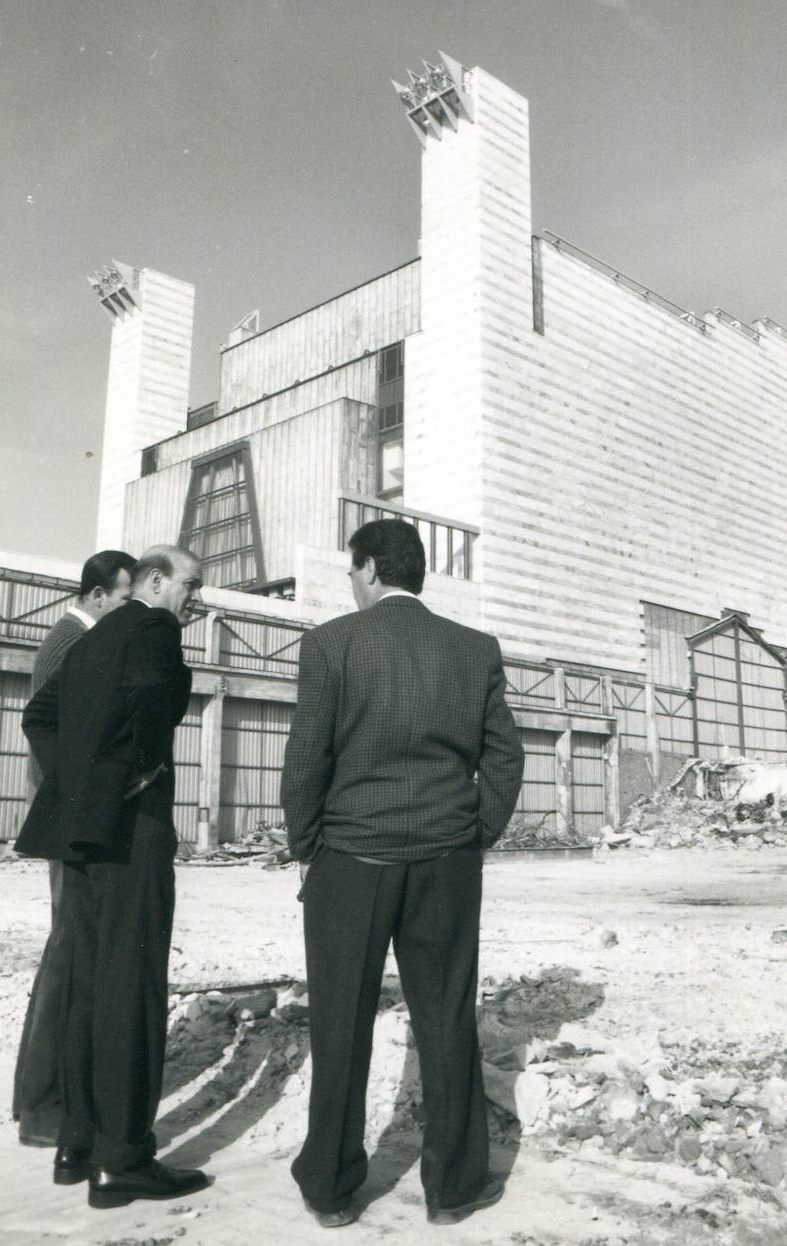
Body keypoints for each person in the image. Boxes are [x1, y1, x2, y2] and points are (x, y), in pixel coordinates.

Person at [281, 518, 525, 1228]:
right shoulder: (473, 648)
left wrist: (308, 845)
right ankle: (453, 1189)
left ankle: (329, 1188)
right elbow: (504, 757)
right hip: (445, 861)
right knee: (446, 1018)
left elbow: (305, 758)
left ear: (366, 570)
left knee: (339, 1022)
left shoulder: (331, 643)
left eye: (351, 572)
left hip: (350, 862)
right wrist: (473, 832)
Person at [16, 545, 209, 1210]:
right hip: (132, 833)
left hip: (78, 834)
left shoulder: (95, 638)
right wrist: (133, 775)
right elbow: (156, 705)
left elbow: (38, 716)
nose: (196, 599)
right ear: (154, 581)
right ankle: (124, 1157)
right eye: (191, 584)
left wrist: (80, 786)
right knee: (132, 986)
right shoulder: (155, 628)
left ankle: (76, 1143)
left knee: (85, 984)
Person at [14, 549, 136, 1147]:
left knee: (69, 951)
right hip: (69, 823)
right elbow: (50, 732)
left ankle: (43, 1098)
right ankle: (41, 1106)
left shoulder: (77, 635)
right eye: (121, 597)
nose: (127, 608)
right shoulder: (71, 641)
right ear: (95, 596)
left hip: (70, 818)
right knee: (66, 955)